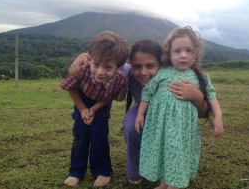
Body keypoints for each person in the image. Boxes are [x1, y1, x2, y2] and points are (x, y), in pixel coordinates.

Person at [69, 37, 216, 186]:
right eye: (137, 66)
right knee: (131, 124)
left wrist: (197, 96)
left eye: (150, 66)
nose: (143, 72)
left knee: (169, 137)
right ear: (131, 66)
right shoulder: (128, 72)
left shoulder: (175, 76)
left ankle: (170, 171)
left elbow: (203, 114)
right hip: (143, 110)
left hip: (171, 118)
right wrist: (83, 56)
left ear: (162, 63)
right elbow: (108, 59)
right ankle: (137, 169)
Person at [135, 27, 224, 189]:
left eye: (188, 50)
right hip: (160, 126)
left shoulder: (199, 77)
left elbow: (211, 96)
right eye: (177, 51)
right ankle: (163, 182)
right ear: (168, 54)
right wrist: (140, 114)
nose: (183, 55)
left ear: (195, 53)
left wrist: (218, 117)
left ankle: (175, 184)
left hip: (182, 129)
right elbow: (147, 93)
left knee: (177, 154)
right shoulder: (162, 73)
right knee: (162, 151)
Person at [60, 31, 129, 187]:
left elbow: (111, 96)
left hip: (102, 102)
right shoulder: (82, 68)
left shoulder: (121, 78)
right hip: (81, 99)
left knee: (99, 134)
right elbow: (71, 88)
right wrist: (83, 109)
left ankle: (103, 171)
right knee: (81, 133)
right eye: (96, 64)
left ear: (119, 67)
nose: (100, 72)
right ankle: (76, 171)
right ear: (90, 58)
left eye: (108, 67)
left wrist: (96, 108)